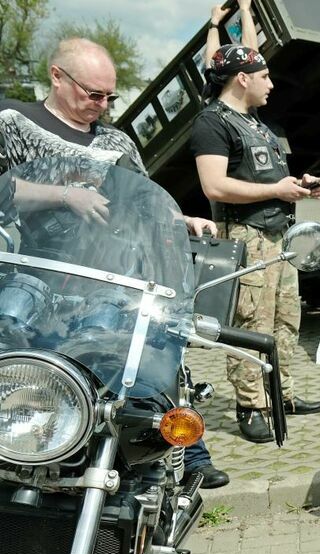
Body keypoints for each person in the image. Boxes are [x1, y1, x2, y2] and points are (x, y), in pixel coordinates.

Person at [0, 38, 230, 488]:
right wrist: (66, 195)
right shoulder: (13, 121)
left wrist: (183, 219)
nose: (102, 106)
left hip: (106, 275)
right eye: (93, 94)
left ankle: (184, 457)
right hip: (33, 273)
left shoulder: (114, 140)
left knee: (150, 359)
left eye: (110, 97)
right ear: (57, 76)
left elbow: (140, 202)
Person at [191, 45, 320, 444]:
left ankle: (281, 395)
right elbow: (214, 185)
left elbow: (269, 179)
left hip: (278, 237)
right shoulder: (212, 123)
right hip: (246, 236)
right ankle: (250, 405)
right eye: (264, 76)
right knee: (251, 324)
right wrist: (275, 189)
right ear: (242, 78)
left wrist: (298, 186)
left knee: (286, 321)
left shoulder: (258, 123)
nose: (271, 83)